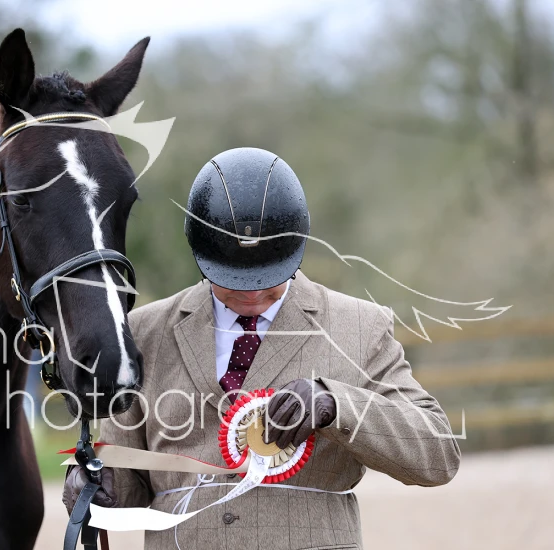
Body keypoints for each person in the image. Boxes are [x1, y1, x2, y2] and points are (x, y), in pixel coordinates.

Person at [63, 147, 461, 549]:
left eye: (268, 278)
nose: (252, 294)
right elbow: (128, 483)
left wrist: (337, 404)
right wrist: (96, 486)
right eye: (232, 279)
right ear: (200, 252)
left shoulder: (361, 326)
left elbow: (438, 455)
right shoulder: (144, 330)